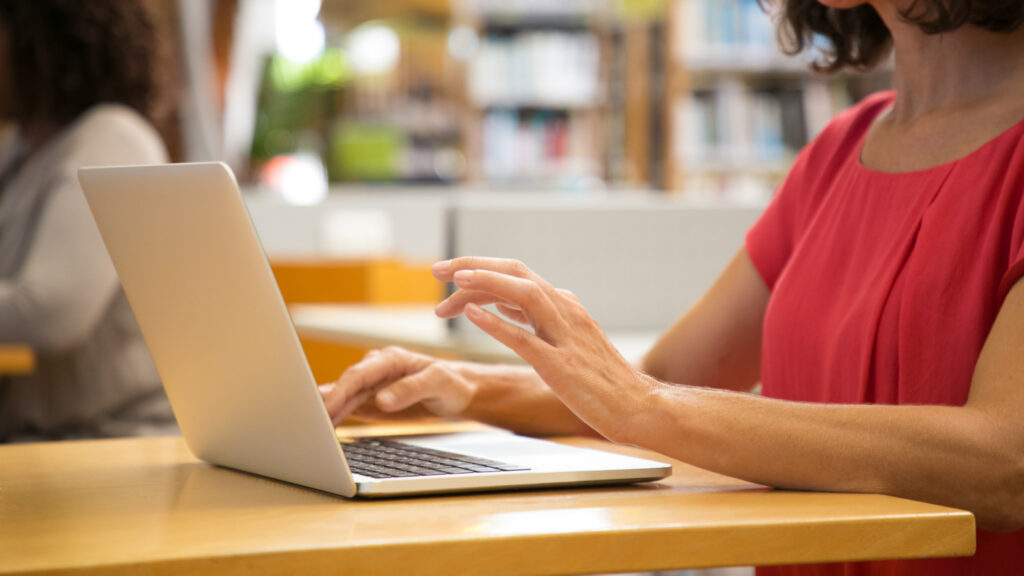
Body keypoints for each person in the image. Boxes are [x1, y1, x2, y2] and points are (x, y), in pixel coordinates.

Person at [321, 0, 1024, 573]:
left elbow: (1007, 462)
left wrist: (651, 406)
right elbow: (660, 383)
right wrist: (465, 388)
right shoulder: (840, 150)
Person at [0, 0, 177, 440]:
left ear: (38, 42)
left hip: (111, 441)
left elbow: (50, 312)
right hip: (41, 437)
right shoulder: (20, 151)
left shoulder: (110, 139)